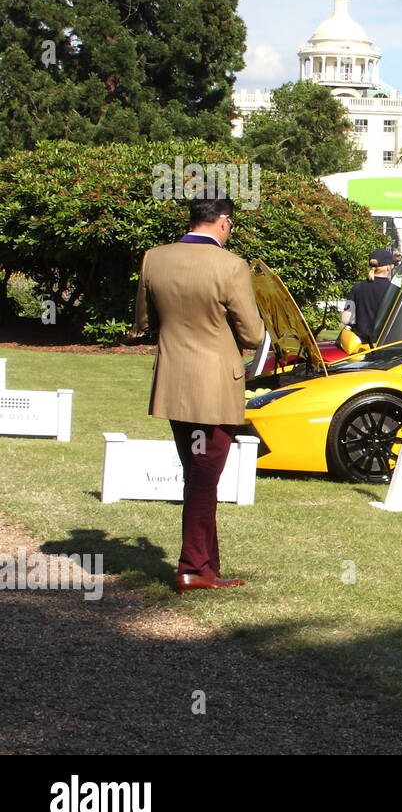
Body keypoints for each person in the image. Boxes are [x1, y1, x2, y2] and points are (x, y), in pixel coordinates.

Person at [132, 187, 266, 594]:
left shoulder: (155, 258)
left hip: (174, 382)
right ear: (224, 221)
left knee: (197, 474)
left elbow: (144, 320)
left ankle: (205, 566)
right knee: (204, 479)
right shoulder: (231, 266)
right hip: (215, 387)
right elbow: (253, 332)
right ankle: (193, 567)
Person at [343, 248, 397, 344]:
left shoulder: (357, 286)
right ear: (388, 267)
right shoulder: (393, 290)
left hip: (359, 345)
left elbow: (345, 318)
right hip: (382, 344)